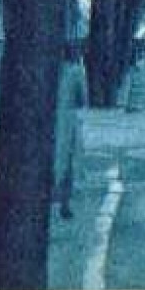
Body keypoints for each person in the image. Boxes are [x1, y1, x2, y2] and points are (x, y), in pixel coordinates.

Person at [53, 44, 87, 218]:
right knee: (67, 157)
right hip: (67, 119)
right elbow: (82, 97)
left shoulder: (49, 72)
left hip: (47, 119)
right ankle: (64, 202)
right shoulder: (75, 71)